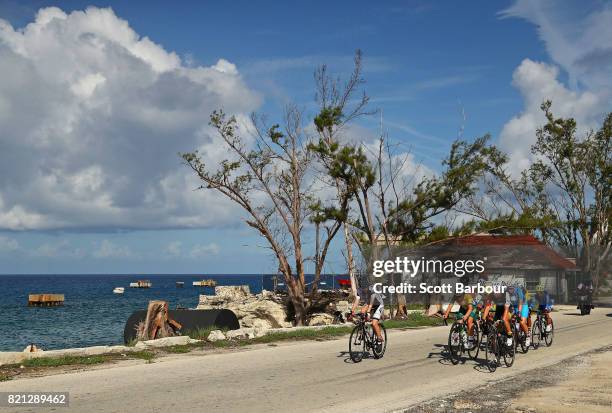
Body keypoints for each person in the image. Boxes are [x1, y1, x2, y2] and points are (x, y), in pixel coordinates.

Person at [510, 283, 531, 347]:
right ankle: (515, 336)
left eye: (511, 289)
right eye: (509, 289)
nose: (510, 290)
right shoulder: (507, 292)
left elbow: (521, 301)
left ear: (514, 288)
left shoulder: (518, 291)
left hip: (523, 306)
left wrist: (519, 312)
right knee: (510, 321)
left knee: (521, 322)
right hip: (515, 307)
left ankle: (527, 336)